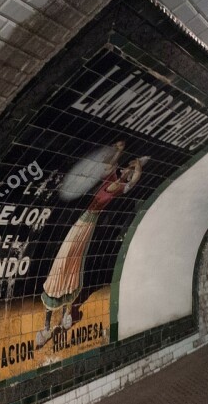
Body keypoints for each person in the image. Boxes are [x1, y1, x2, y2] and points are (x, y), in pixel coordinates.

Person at [36, 142, 148, 349]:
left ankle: (66, 314)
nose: (126, 172)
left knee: (72, 264)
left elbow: (135, 179)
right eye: (126, 169)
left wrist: (137, 166)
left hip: (88, 224)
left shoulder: (121, 186)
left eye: (128, 172)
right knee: (64, 262)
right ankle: (51, 322)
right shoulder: (113, 177)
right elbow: (109, 164)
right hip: (84, 222)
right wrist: (120, 151)